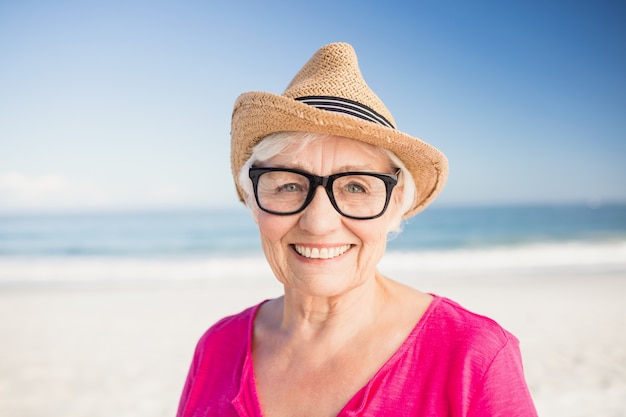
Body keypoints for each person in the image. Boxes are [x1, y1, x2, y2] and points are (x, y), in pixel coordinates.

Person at [176, 42, 538, 416]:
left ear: (396, 204)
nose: (318, 222)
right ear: (254, 202)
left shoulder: (473, 359)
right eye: (288, 185)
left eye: (355, 187)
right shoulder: (217, 348)